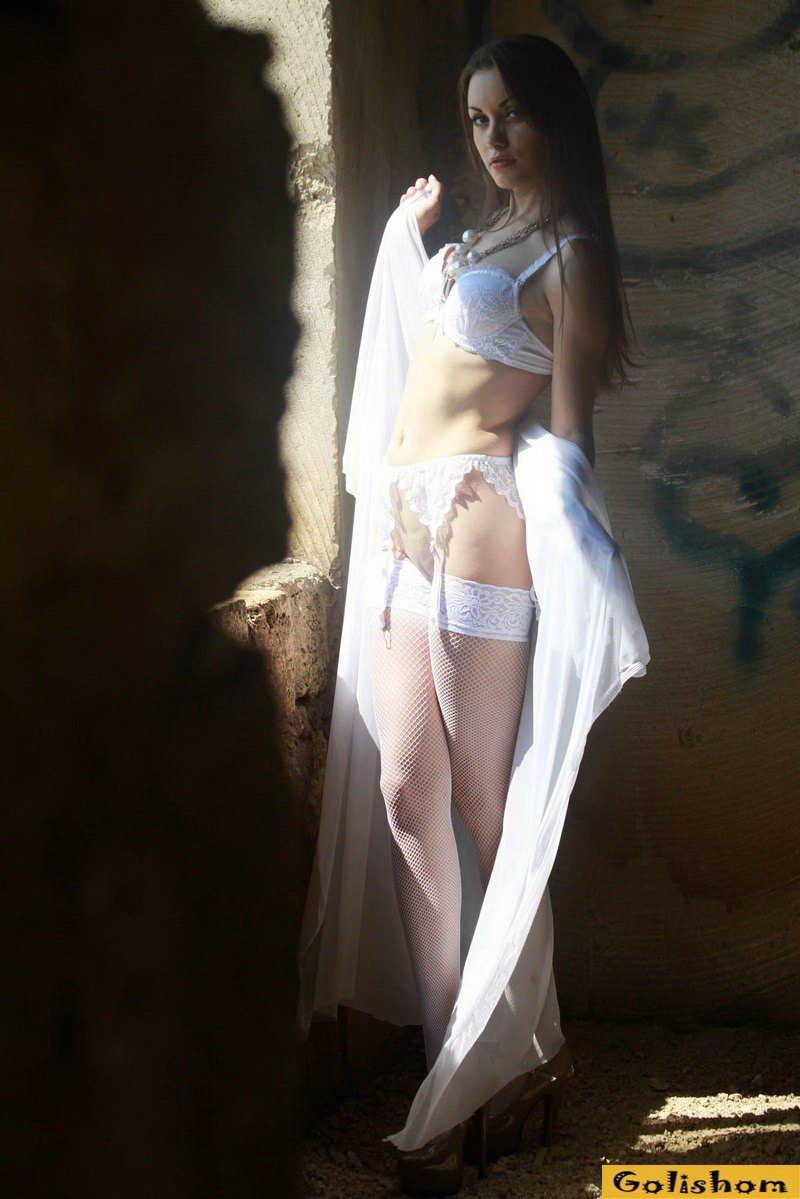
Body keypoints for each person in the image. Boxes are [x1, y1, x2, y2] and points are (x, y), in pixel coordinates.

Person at [296, 34, 651, 1195]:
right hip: (404, 521)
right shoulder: (482, 238)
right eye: (477, 120)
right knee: (406, 787)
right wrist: (408, 245)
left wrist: (582, 575)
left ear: (554, 120)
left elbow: (566, 434)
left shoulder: (569, 251)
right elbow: (427, 357)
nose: (492, 138)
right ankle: (459, 1056)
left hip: (479, 521)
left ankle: (508, 1058)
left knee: (488, 807)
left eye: (511, 115)